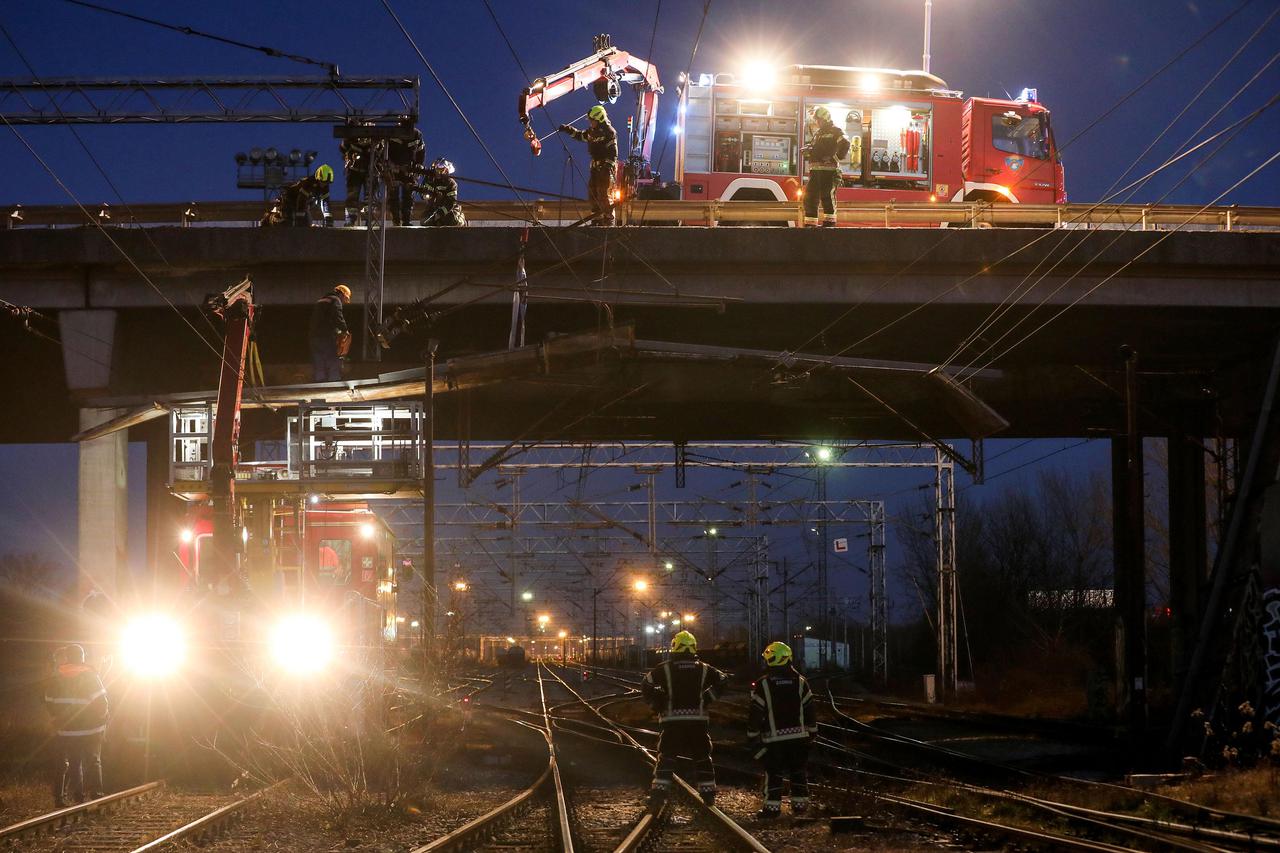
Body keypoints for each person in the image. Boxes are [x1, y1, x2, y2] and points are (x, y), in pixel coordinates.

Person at [640, 630, 728, 810]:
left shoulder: (664, 668)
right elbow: (723, 679)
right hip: (698, 721)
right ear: (694, 648)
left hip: (672, 722)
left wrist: (658, 703)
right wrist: (707, 698)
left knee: (667, 757)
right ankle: (709, 794)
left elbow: (646, 684)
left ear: (675, 648)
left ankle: (658, 794)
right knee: (703, 756)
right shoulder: (704, 668)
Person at [747, 641, 817, 818]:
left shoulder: (763, 684)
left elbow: (755, 713)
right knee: (798, 772)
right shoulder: (801, 682)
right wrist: (812, 732)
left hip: (774, 740)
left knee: (774, 773)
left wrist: (752, 736)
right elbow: (810, 709)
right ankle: (800, 807)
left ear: (770, 660)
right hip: (799, 739)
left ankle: (772, 809)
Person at [45, 644, 108, 807]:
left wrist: (58, 718)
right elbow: (101, 702)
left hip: (67, 731)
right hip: (91, 729)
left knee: (75, 762)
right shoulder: (90, 675)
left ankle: (78, 798)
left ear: (67, 657)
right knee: (94, 760)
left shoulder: (56, 676)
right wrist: (103, 718)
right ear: (82, 657)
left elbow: (49, 702)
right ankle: (97, 796)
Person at [558, 104, 618, 226]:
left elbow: (613, 152)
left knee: (603, 192)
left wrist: (607, 167)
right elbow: (580, 135)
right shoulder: (592, 131)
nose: (591, 123)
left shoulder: (609, 132)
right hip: (595, 167)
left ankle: (608, 218)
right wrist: (567, 129)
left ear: (599, 118)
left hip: (605, 167)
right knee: (592, 192)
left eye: (593, 120)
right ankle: (597, 218)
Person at [801, 106, 848, 227]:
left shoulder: (835, 131)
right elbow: (819, 149)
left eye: (819, 119)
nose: (817, 122)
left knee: (827, 196)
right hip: (816, 172)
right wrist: (809, 150)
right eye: (816, 120)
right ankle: (810, 224)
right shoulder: (818, 134)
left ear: (825, 119)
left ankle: (829, 224)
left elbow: (845, 144)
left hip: (829, 172)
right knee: (810, 197)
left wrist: (834, 158)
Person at [309, 284, 351, 382]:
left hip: (313, 336)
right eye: (345, 298)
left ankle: (320, 382)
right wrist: (345, 330)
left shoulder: (321, 301)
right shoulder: (335, 300)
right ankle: (334, 381)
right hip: (326, 336)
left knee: (318, 359)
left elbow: (321, 319)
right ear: (342, 294)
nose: (344, 302)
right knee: (333, 358)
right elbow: (337, 317)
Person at [388, 121, 425, 226]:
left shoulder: (417, 135)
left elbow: (421, 152)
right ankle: (396, 220)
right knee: (393, 196)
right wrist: (391, 166)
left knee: (408, 196)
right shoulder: (392, 133)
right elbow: (385, 151)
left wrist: (418, 166)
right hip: (394, 170)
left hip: (410, 171)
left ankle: (406, 220)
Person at [416, 158, 466, 227]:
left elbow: (451, 202)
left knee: (451, 220)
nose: (437, 172)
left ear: (446, 170)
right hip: (433, 207)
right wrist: (426, 195)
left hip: (448, 209)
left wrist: (440, 213)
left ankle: (460, 218)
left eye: (440, 169)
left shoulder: (451, 183)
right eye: (436, 169)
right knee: (424, 221)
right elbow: (422, 194)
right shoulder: (429, 180)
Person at [340, 124, 372, 227]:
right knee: (352, 197)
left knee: (370, 198)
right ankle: (350, 220)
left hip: (370, 172)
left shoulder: (376, 139)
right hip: (354, 172)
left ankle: (369, 220)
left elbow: (381, 152)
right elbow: (342, 148)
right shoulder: (350, 138)